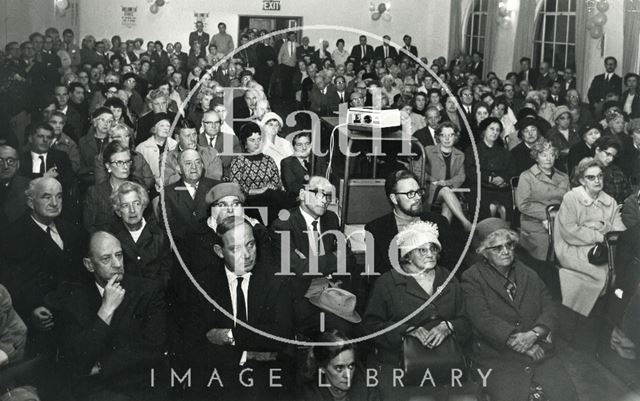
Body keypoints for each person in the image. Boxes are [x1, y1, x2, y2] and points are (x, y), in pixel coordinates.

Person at [180, 217, 293, 399]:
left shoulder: (276, 280)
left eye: (250, 245)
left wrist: (230, 336)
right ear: (219, 251)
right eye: (235, 249)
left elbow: (280, 335)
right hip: (218, 373)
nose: (247, 255)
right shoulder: (202, 284)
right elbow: (194, 342)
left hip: (266, 375)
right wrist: (248, 355)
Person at [461, 227, 579, 401]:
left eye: (509, 245)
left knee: (566, 395)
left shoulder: (528, 272)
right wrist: (521, 344)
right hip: (498, 356)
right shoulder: (472, 278)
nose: (506, 251)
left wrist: (534, 334)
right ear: (484, 253)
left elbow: (549, 306)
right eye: (497, 248)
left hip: (539, 350)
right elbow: (483, 320)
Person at [51, 231, 167, 401]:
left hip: (139, 387)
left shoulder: (148, 291)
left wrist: (102, 365)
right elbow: (76, 357)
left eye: (119, 255)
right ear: (89, 265)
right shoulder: (73, 300)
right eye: (106, 259)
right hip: (95, 389)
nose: (117, 264)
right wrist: (106, 310)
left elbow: (153, 348)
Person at [364, 221, 470, 400]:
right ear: (408, 255)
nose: (430, 254)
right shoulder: (388, 282)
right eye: (423, 250)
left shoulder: (449, 279)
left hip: (448, 364)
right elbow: (371, 326)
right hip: (402, 368)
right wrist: (405, 330)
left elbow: (467, 321)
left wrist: (449, 326)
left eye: (434, 248)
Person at [554, 157, 626, 317]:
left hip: (602, 248)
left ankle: (602, 315)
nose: (597, 180)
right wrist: (599, 235)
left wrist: (603, 226)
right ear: (581, 180)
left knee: (620, 269)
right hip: (572, 246)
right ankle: (582, 315)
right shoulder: (571, 198)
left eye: (600, 176)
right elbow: (569, 231)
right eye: (591, 177)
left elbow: (619, 229)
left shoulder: (610, 201)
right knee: (601, 272)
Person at [515, 140, 570, 270]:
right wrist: (547, 216)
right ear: (536, 157)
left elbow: (568, 202)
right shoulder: (527, 176)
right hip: (535, 223)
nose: (548, 158)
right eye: (543, 155)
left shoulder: (563, 177)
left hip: (560, 221)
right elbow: (523, 205)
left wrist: (556, 218)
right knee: (545, 251)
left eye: (551, 154)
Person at [301, 330, 380, 401]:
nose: (348, 375)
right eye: (339, 368)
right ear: (322, 368)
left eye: (351, 366)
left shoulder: (367, 389)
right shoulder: (308, 396)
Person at [423, 122, 472, 230]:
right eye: (443, 135)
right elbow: (419, 171)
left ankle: (442, 239)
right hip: (431, 190)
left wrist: (446, 183)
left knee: (448, 207)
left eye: (451, 135)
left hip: (452, 192)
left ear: (455, 137)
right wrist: (434, 180)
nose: (447, 138)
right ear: (438, 136)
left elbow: (461, 177)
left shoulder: (460, 155)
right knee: (445, 191)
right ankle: (465, 222)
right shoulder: (428, 150)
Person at [465, 117, 512, 220]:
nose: (495, 132)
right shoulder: (472, 150)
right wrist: (490, 178)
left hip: (501, 189)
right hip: (481, 189)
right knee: (490, 208)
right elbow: (471, 172)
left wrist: (503, 178)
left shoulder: (504, 152)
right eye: (491, 129)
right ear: (484, 130)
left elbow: (509, 170)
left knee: (504, 209)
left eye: (497, 130)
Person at [0, 145, 30, 227]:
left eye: (10, 161)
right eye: (0, 160)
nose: (5, 166)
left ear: (18, 164)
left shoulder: (29, 186)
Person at [281, 132, 312, 199]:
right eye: (299, 145)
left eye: (307, 144)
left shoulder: (317, 161)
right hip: (296, 202)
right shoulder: (287, 162)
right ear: (294, 147)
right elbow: (291, 187)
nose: (304, 148)